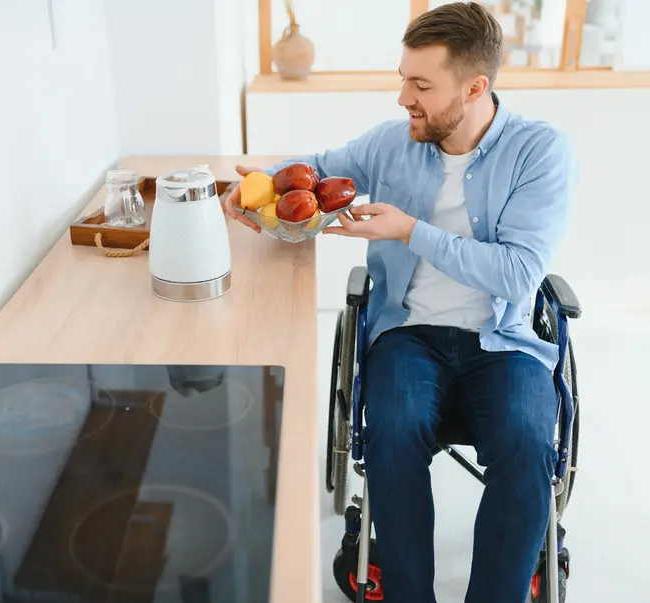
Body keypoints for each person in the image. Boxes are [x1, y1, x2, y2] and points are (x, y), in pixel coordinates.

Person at [224, 2, 577, 602]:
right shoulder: (392, 144)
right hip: (408, 335)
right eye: (402, 79)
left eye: (421, 85)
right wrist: (259, 183)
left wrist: (410, 230)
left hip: (503, 343)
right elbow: (316, 169)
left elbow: (519, 274)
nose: (403, 98)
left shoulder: (538, 152)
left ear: (474, 87)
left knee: (525, 441)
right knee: (391, 429)